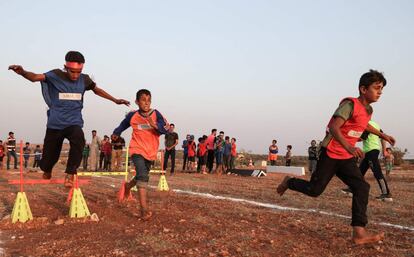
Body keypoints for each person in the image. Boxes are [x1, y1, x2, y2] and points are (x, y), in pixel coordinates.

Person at [276, 70, 395, 245]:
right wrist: (349, 145)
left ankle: (359, 233)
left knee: (362, 187)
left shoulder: (368, 110)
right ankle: (289, 182)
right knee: (315, 190)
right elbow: (334, 127)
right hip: (331, 153)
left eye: (381, 90)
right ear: (363, 89)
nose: (379, 92)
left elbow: (365, 125)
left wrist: (383, 136)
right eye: (376, 88)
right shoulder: (349, 105)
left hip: (346, 158)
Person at [8, 51, 129, 187]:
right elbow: (35, 77)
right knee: (49, 158)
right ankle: (47, 169)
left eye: (79, 72)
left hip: (73, 123)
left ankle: (70, 174)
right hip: (55, 124)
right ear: (66, 67)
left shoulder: (84, 79)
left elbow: (97, 90)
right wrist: (23, 72)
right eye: (72, 72)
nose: (75, 75)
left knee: (79, 139)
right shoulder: (55, 75)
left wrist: (115, 100)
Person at [114, 89, 169, 220]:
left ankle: (128, 186)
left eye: (149, 100)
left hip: (150, 151)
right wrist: (116, 133)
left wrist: (154, 124)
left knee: (141, 175)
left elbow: (165, 130)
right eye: (143, 100)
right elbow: (123, 125)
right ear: (137, 102)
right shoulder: (133, 115)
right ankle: (144, 210)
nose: (146, 103)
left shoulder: (156, 114)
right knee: (143, 176)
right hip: (136, 149)